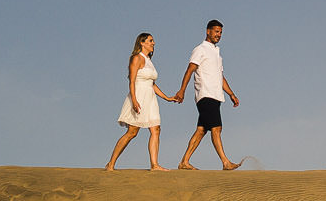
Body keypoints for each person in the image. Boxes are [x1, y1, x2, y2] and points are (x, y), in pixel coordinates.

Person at [104, 32, 180, 170]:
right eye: (150, 41)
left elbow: (152, 84)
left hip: (150, 99)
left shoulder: (150, 62)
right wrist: (134, 100)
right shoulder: (136, 58)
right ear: (142, 42)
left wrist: (167, 98)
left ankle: (154, 164)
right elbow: (132, 81)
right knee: (132, 132)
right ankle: (111, 163)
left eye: (153, 41)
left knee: (156, 129)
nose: (153, 43)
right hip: (139, 97)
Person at [175, 20, 242, 170]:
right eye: (216, 31)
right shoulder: (200, 49)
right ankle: (225, 162)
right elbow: (190, 69)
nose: (219, 35)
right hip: (205, 94)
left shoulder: (217, 53)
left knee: (201, 130)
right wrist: (182, 90)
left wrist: (231, 94)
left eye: (220, 33)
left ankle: (184, 162)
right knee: (217, 128)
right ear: (208, 31)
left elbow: (220, 77)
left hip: (216, 95)